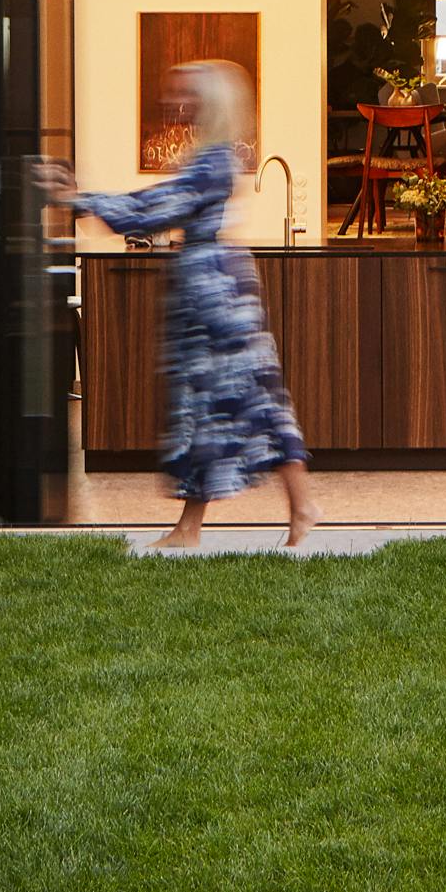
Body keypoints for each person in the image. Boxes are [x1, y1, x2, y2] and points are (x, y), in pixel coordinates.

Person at [37, 61, 317, 548]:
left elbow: (156, 208)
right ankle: (252, 517)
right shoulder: (208, 155)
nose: (175, 104)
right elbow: (158, 206)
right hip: (214, 294)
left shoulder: (210, 162)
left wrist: (81, 200)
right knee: (235, 406)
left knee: (231, 406)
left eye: (185, 96)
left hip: (218, 303)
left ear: (210, 105)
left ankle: (254, 517)